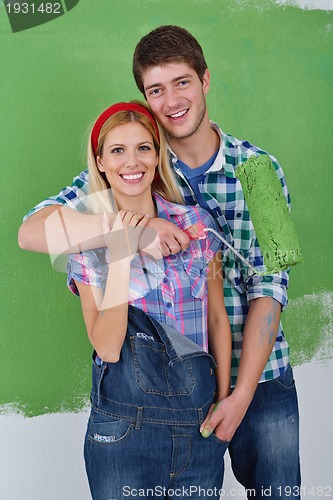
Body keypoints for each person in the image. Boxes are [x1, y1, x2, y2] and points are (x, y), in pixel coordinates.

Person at [18, 26, 301, 499]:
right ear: (146, 100)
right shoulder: (135, 162)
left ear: (205, 80)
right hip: (163, 394)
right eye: (156, 89)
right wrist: (135, 232)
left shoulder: (259, 169)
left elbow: (270, 288)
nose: (172, 99)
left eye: (182, 82)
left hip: (261, 378)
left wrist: (240, 393)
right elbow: (33, 230)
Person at [66, 100, 232, 499]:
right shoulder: (86, 246)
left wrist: (224, 401)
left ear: (158, 156)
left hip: (201, 429)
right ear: (101, 162)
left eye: (143, 147)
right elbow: (106, 347)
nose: (132, 161)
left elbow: (217, 319)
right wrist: (121, 252)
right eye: (117, 151)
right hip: (123, 433)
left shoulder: (197, 226)